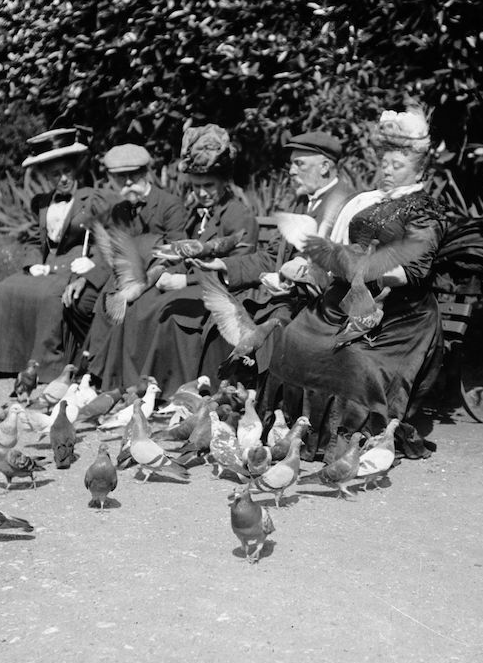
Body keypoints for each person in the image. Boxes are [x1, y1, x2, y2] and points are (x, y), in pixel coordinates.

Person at [260, 108, 449, 460]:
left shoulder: (426, 210)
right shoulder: (370, 201)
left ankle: (343, 439)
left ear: (419, 170)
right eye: (385, 163)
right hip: (349, 296)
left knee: (351, 357)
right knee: (295, 337)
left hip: (399, 312)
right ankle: (293, 429)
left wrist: (364, 270)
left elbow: (413, 272)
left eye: (397, 165)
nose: (387, 170)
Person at [84, 124, 258, 396]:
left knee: (163, 309)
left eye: (208, 186)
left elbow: (240, 265)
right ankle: (129, 383)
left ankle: (166, 387)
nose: (202, 193)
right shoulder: (198, 212)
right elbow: (179, 252)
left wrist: (184, 280)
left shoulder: (238, 214)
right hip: (195, 282)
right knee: (139, 303)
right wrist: (155, 276)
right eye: (196, 186)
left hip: (222, 289)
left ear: (225, 183)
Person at [189, 130, 358, 379]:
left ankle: (255, 398)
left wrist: (296, 281)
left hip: (316, 305)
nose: (291, 171)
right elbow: (270, 256)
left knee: (271, 329)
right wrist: (223, 265)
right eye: (292, 165)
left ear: (324, 167)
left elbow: (338, 267)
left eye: (299, 164)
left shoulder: (346, 204)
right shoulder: (301, 203)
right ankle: (220, 394)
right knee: (222, 321)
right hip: (283, 297)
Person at [0, 128, 118, 382]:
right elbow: (35, 240)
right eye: (56, 174)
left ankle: (47, 367)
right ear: (46, 176)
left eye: (67, 171)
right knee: (7, 288)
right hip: (47, 266)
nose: (63, 178)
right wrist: (32, 262)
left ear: (75, 169)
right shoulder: (42, 202)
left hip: (75, 267)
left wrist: (91, 263)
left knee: (50, 295)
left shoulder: (92, 198)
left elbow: (107, 242)